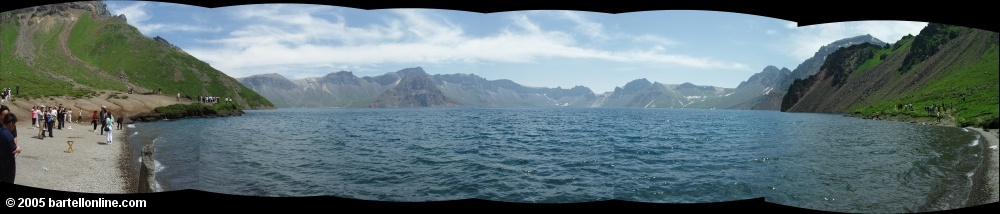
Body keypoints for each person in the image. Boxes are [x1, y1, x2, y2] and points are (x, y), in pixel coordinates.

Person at [0, 106, 19, 184]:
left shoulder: (10, 128)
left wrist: (13, 146)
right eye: (4, 115)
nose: (6, 117)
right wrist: (16, 149)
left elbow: (14, 137)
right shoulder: (5, 131)